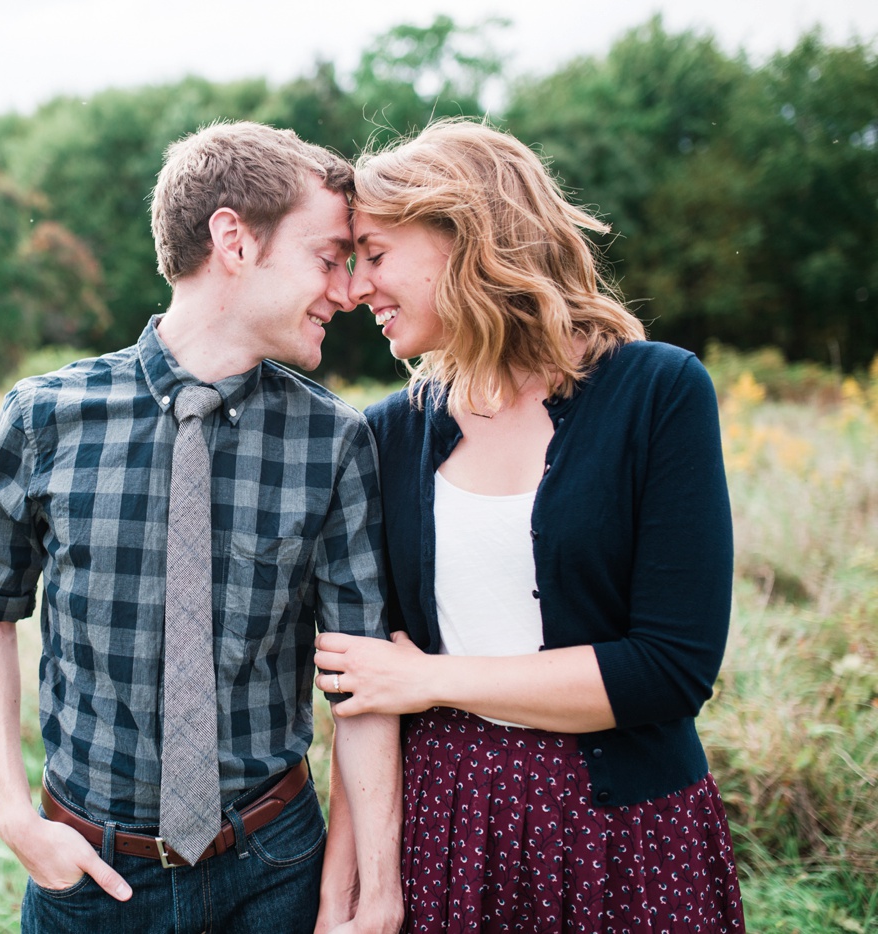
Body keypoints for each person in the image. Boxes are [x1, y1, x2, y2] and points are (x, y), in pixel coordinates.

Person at [0, 121, 403, 934]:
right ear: (233, 239)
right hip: (89, 878)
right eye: (327, 256)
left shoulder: (336, 441)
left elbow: (360, 687)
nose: (346, 291)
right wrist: (13, 815)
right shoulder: (43, 418)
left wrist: (376, 887)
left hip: (276, 868)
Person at [313, 119, 746, 931]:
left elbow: (670, 669)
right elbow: (366, 692)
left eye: (374, 254)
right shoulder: (385, 435)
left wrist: (434, 679)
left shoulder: (659, 393)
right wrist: (351, 895)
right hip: (445, 831)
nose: (355, 288)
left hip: (627, 835)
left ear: (466, 234)